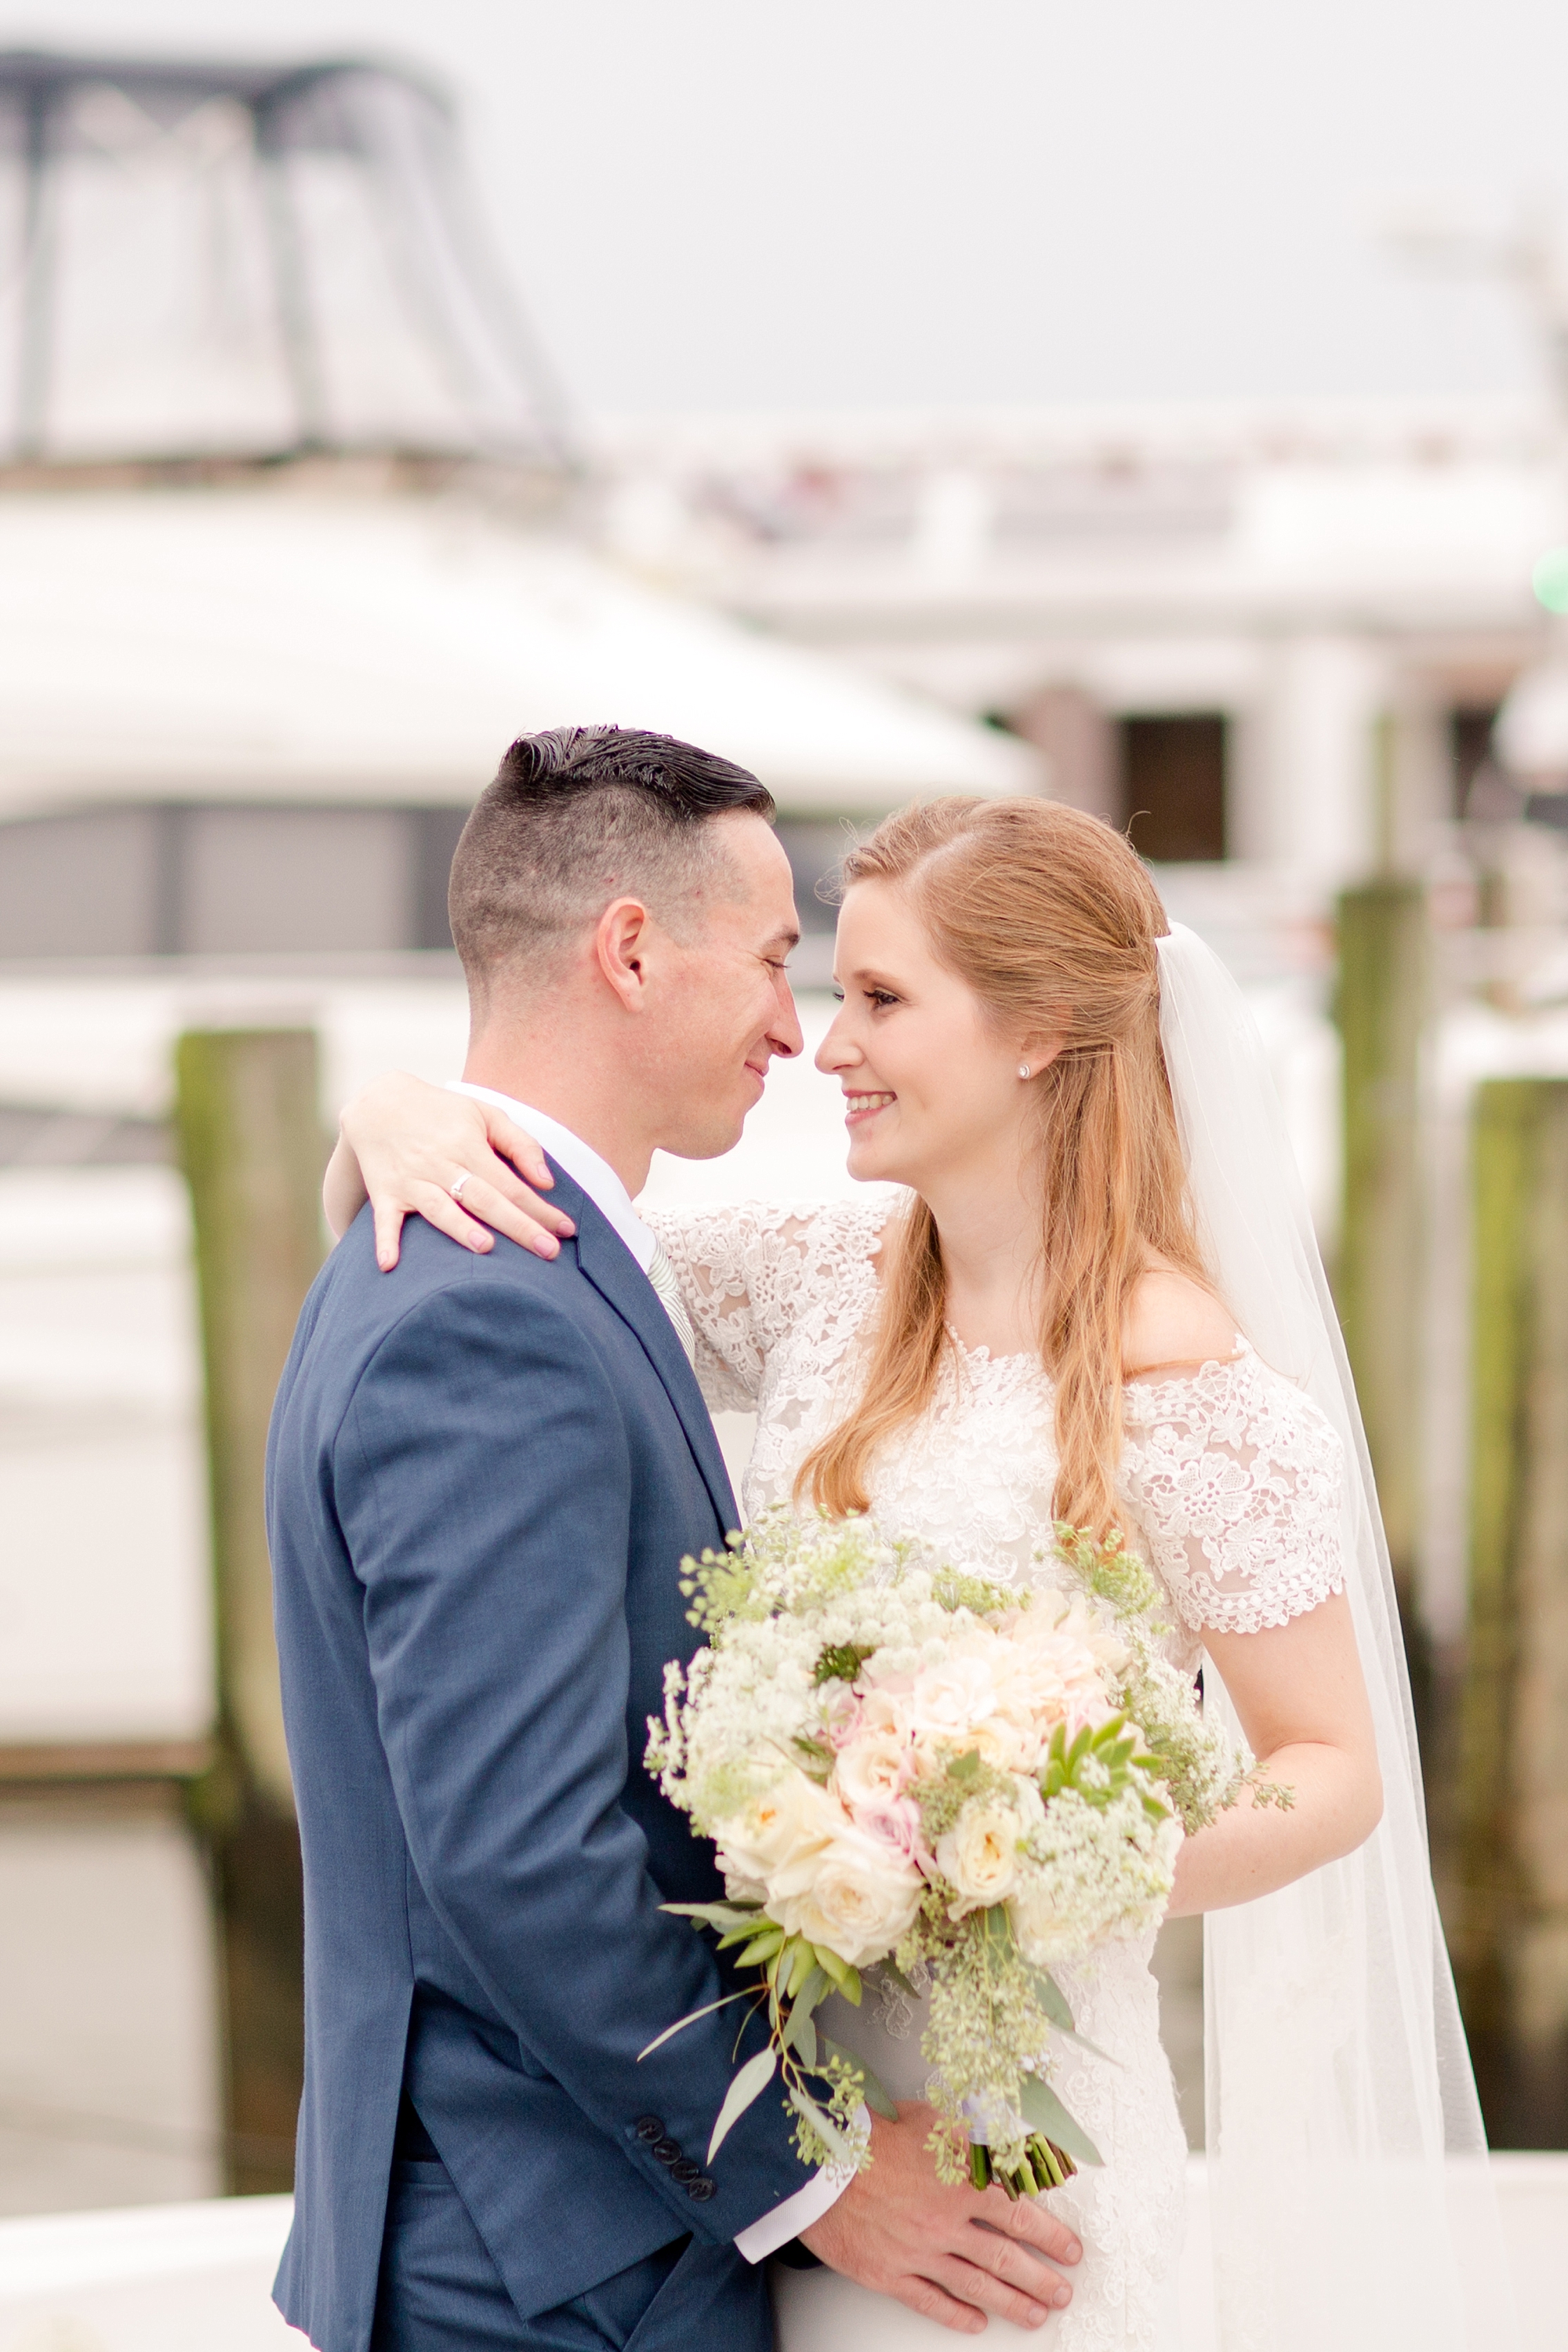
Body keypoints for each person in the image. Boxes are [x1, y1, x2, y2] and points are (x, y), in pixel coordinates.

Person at [335, 782, 1508, 2352]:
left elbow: (1334, 1768)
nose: (826, 1045)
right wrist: (392, 1109)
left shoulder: (1195, 1397)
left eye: (880, 999)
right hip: (791, 2161)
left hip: (1032, 2169)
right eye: (831, 990)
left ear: (1033, 1030)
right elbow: (544, 1270)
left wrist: (1044, 1859)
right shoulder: (820, 1279)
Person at [267, 730, 1086, 2352]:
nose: (796, 1031)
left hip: (556, 2247)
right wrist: (810, 2179)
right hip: (552, 2267)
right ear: (630, 950)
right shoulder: (491, 1316)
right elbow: (514, 1848)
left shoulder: (482, 1253)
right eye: (778, 962)